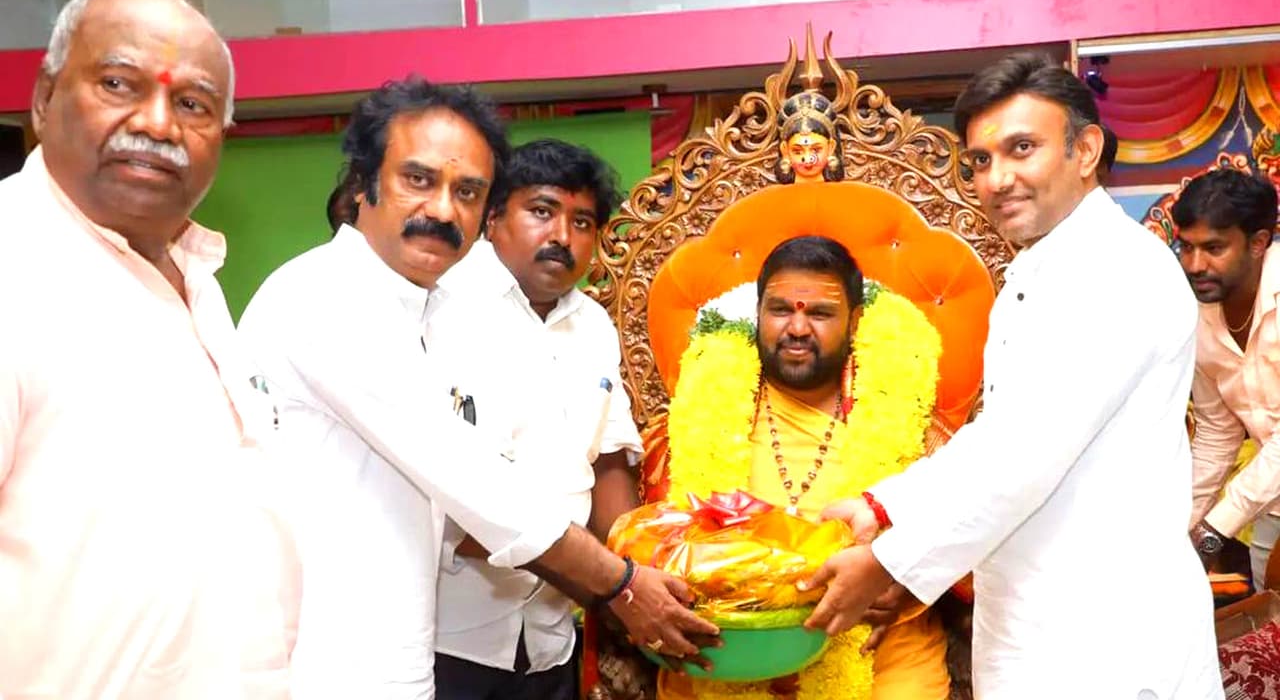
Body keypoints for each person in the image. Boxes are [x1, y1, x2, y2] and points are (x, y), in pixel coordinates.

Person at [236, 79, 716, 699]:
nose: (442, 211)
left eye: (465, 191)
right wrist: (620, 586)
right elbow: (474, 480)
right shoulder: (326, 296)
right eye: (417, 179)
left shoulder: (425, 307)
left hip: (412, 643)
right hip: (326, 655)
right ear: (363, 184)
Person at [800, 53, 1222, 699]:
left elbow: (1025, 452)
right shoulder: (1043, 267)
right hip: (1040, 619)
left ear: (1085, 150)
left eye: (1022, 148)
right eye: (980, 160)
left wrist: (888, 563)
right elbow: (999, 434)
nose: (997, 179)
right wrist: (885, 505)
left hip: (1107, 635)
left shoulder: (1117, 271)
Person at [0, 0, 298, 699]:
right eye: (117, 84)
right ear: (44, 99)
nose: (158, 124)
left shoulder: (196, 279)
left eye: (193, 103)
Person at [650, 235, 953, 700]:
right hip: (733, 643)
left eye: (819, 313)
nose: (796, 328)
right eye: (779, 310)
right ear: (757, 315)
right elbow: (655, 540)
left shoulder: (909, 420)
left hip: (876, 642)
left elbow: (966, 531)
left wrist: (905, 582)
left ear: (855, 321)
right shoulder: (700, 414)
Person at [423, 138, 643, 700]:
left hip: (551, 638)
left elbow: (610, 462)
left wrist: (635, 579)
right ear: (493, 217)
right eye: (542, 211)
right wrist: (609, 581)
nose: (562, 236)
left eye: (582, 221)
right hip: (449, 637)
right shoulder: (437, 307)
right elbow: (456, 502)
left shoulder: (594, 325)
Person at [1173, 168, 1280, 584]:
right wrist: (1178, 531)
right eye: (1187, 247)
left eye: (1213, 248)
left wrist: (1215, 530)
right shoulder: (1198, 315)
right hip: (1271, 511)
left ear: (1257, 243)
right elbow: (1217, 433)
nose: (1195, 265)